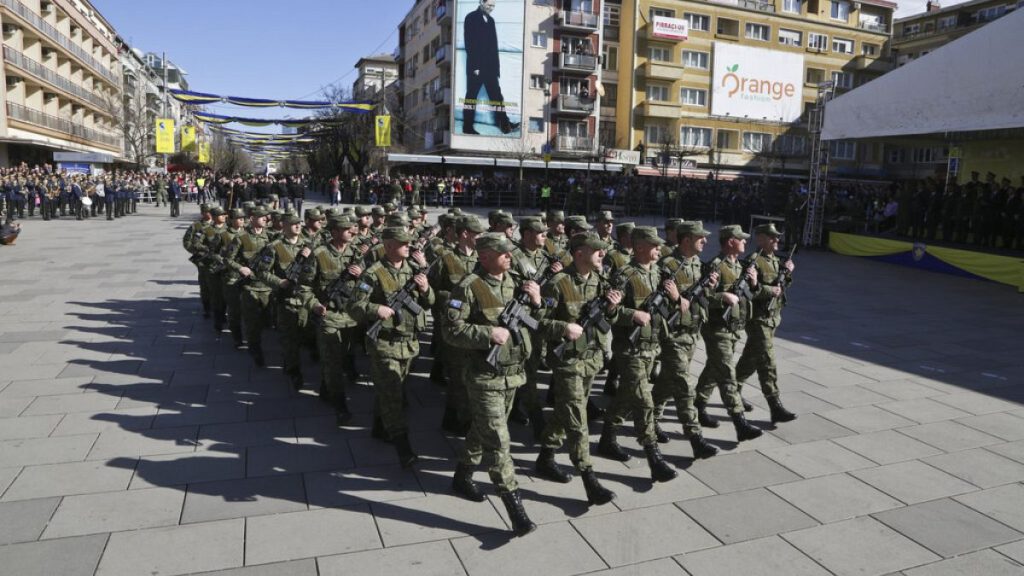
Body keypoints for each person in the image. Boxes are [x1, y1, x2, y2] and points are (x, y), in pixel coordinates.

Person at [447, 233, 540, 536]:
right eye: (503, 253)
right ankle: (516, 509)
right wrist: (486, 333)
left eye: (510, 252)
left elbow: (533, 320)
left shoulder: (515, 281)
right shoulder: (468, 286)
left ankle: (462, 476)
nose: (510, 257)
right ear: (484, 256)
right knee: (499, 441)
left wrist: (537, 303)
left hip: (513, 374)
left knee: (482, 429)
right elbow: (451, 331)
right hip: (484, 377)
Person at [535, 232, 619, 505]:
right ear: (580, 253)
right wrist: (563, 327)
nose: (602, 255)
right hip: (568, 362)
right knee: (577, 419)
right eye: (597, 251)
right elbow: (538, 323)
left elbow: (608, 319)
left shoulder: (599, 281)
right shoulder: (558, 284)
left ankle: (545, 457)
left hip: (590, 359)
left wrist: (613, 308)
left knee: (565, 411)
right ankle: (588, 476)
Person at [597, 226, 678, 483]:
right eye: (654, 245)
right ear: (640, 247)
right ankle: (653, 456)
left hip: (651, 347)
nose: (659, 249)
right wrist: (632, 314)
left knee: (625, 396)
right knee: (644, 401)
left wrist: (675, 297)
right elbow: (607, 312)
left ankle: (607, 438)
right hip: (630, 350)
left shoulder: (658, 273)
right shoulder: (624, 275)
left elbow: (667, 308)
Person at [348, 227, 434, 467]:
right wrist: (376, 310)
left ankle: (379, 427)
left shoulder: (414, 270)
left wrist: (426, 289)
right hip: (385, 344)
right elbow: (354, 306)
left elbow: (429, 303)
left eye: (409, 242)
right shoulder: (373, 274)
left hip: (409, 343)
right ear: (388, 246)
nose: (408, 246)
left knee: (390, 391)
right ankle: (403, 446)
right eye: (402, 242)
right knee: (394, 395)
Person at [651, 221, 719, 459]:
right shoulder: (667, 266)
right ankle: (695, 437)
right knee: (683, 387)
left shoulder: (697, 264)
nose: (705, 241)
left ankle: (650, 417)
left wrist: (710, 288)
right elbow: (654, 303)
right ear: (687, 239)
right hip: (673, 337)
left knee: (667, 382)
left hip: (691, 333)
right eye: (701, 237)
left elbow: (701, 299)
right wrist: (676, 298)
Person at [693, 225, 765, 442]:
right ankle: (739, 422)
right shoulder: (716, 265)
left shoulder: (740, 265)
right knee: (727, 375)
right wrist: (721, 296)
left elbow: (750, 295)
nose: (745, 242)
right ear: (730, 241)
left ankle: (698, 404)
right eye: (741, 239)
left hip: (733, 328)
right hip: (717, 329)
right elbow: (702, 297)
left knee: (714, 368)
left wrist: (753, 282)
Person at [733, 223, 797, 424]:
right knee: (767, 361)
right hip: (758, 319)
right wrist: (769, 291)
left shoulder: (776, 260)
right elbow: (748, 290)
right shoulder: (754, 261)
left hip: (772, 318)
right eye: (772, 237)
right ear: (760, 238)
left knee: (751, 358)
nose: (777, 240)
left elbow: (781, 286)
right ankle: (774, 405)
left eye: (777, 237)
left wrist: (787, 272)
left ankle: (733, 389)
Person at [306, 215, 364, 425]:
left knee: (345, 357)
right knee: (333, 362)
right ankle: (340, 405)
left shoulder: (356, 254)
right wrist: (314, 305)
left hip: (351, 317)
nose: (352, 231)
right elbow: (304, 287)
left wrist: (362, 275)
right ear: (335, 232)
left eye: (352, 228)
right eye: (346, 229)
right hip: (328, 316)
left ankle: (325, 386)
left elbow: (367, 287)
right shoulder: (319, 254)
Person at [255, 212, 312, 389]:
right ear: (284, 225)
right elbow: (262, 272)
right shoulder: (274, 247)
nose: (297, 226)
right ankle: (293, 370)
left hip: (306, 300)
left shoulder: (309, 245)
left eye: (299, 223)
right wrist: (279, 282)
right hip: (286, 300)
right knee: (290, 339)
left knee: (305, 336)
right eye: (293, 223)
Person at [461, 0, 520, 135]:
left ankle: (505, 125)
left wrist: (496, 69)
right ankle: (467, 127)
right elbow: (469, 43)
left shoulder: (491, 21)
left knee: (497, 98)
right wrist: (475, 67)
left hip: (490, 68)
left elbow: (493, 46)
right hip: (476, 68)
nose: (491, 8)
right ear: (481, 2)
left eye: (493, 6)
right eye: (489, 5)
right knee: (471, 98)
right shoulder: (470, 17)